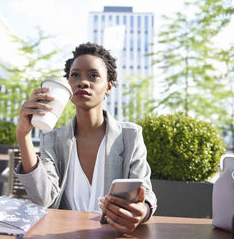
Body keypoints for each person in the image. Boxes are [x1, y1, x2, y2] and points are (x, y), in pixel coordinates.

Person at [15, 42, 157, 233]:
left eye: (93, 75)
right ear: (68, 85)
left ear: (108, 86)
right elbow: (43, 198)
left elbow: (146, 192)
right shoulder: (53, 139)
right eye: (75, 75)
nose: (83, 82)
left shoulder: (130, 136)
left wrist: (143, 209)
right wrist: (23, 135)